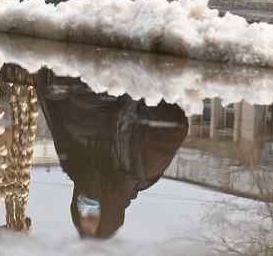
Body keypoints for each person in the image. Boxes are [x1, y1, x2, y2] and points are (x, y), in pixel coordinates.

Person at [35, 70, 188, 239]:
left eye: (81, 213)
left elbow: (54, 107)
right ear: (110, 212)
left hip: (77, 71)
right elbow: (175, 124)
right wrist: (139, 99)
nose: (86, 207)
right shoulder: (141, 169)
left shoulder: (74, 164)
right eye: (92, 216)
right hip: (125, 76)